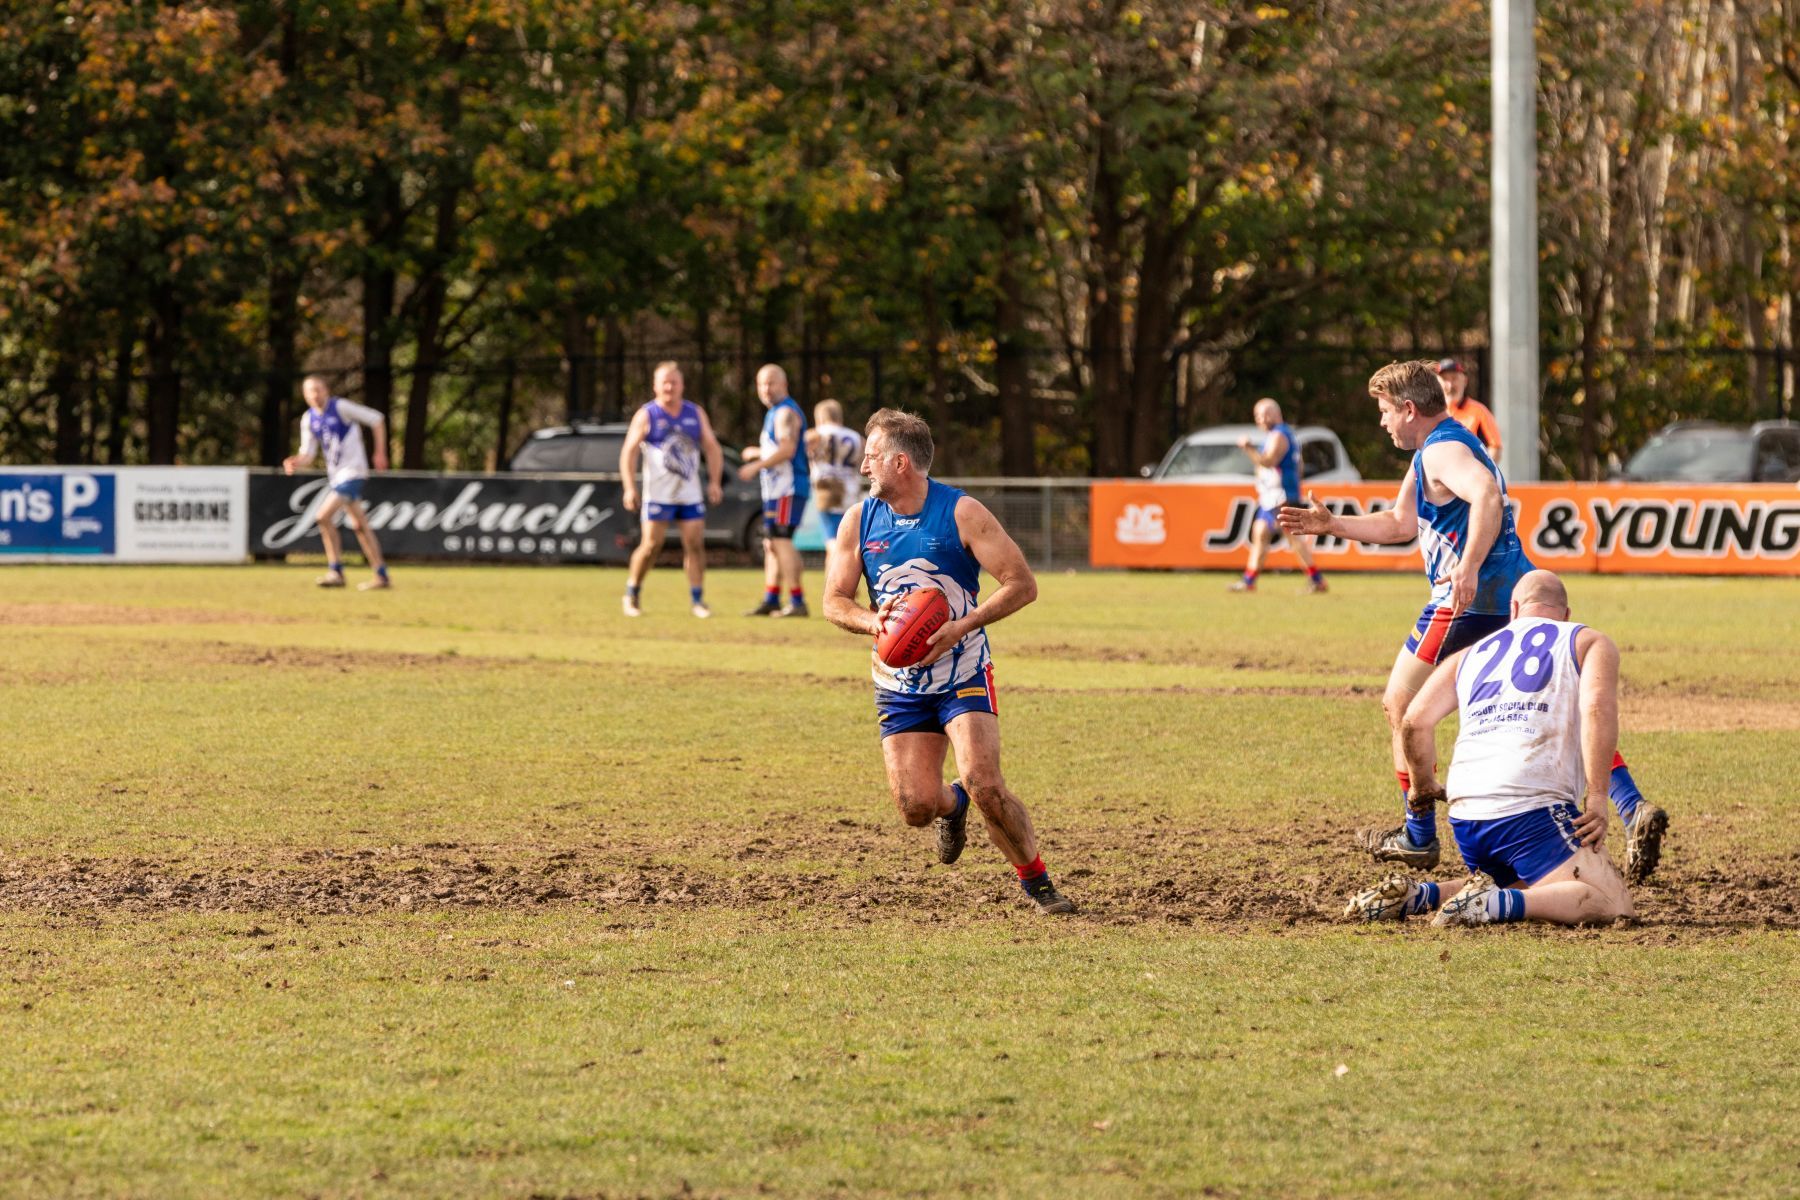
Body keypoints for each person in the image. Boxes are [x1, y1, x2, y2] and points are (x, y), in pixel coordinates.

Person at [1278, 360, 1667, 882]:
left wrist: (1466, 568)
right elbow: (1399, 524)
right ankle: (1630, 804)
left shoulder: (1440, 450)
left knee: (1400, 703)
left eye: (1385, 411)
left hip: (1468, 602)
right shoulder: (1442, 446)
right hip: (1515, 599)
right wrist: (1333, 525)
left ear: (1409, 409)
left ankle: (1418, 834)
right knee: (1559, 697)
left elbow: (1486, 493)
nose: (1382, 422)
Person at [822, 408, 1076, 915]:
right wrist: (873, 623)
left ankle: (1038, 883)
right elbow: (833, 600)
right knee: (915, 807)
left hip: (963, 670)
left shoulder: (962, 512)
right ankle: (953, 804)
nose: (863, 467)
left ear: (900, 463)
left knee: (986, 784)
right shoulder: (860, 520)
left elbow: (1022, 585)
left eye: (871, 457)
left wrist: (963, 625)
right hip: (898, 682)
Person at [1344, 570, 1636, 926]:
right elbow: (1596, 710)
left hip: (1466, 816)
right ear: (1566, 614)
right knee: (1612, 902)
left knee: (1531, 881)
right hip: (1530, 806)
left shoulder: (1469, 654)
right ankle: (1490, 905)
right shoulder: (1588, 641)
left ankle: (1422, 896)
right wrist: (1598, 798)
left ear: (1513, 609)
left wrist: (1422, 789)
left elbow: (1414, 722)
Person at [619, 361, 725, 618]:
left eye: (674, 382)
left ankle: (698, 600)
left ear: (682, 385)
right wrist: (629, 488)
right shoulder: (647, 414)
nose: (669, 387)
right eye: (664, 382)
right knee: (651, 546)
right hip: (658, 494)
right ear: (655, 386)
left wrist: (714, 481)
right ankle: (632, 593)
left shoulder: (694, 413)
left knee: (695, 544)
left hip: (689, 494)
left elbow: (712, 447)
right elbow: (629, 452)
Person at [282, 375, 392, 591]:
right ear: (305, 395)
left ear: (327, 390)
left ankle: (336, 572)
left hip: (353, 473)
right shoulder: (309, 418)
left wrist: (380, 452)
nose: (315, 395)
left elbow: (377, 419)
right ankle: (381, 575)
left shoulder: (340, 407)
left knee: (322, 516)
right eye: (310, 391)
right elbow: (308, 454)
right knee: (360, 526)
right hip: (337, 476)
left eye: (318, 389)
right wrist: (295, 462)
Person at [1228, 398, 1327, 594]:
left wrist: (1248, 447)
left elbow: (1268, 461)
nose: (1260, 419)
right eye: (1257, 415)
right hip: (1273, 496)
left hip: (1281, 496)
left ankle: (1317, 581)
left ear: (1276, 413)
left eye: (1264, 414)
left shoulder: (1280, 434)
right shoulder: (1281, 434)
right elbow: (1298, 467)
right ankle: (1249, 580)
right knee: (1261, 533)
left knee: (1291, 538)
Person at [740, 364, 810, 617]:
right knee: (771, 543)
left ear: (784, 384)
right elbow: (781, 448)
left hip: (787, 489)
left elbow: (787, 450)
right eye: (761, 384)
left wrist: (755, 465)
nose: (766, 389)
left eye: (771, 383)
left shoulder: (785, 412)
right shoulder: (774, 413)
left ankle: (797, 601)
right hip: (775, 490)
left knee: (781, 540)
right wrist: (758, 452)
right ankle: (771, 598)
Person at [806, 398, 864, 583]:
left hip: (827, 489)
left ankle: (838, 585)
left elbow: (796, 447)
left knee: (833, 542)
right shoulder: (856, 437)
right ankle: (834, 586)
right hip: (850, 490)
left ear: (820, 417)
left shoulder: (816, 434)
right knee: (845, 539)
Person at [1434, 359, 1502, 458]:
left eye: (1454, 378)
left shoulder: (1479, 411)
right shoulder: (1431, 413)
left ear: (1465, 381)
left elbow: (1495, 447)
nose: (1450, 385)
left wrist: (1481, 465)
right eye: (1444, 379)